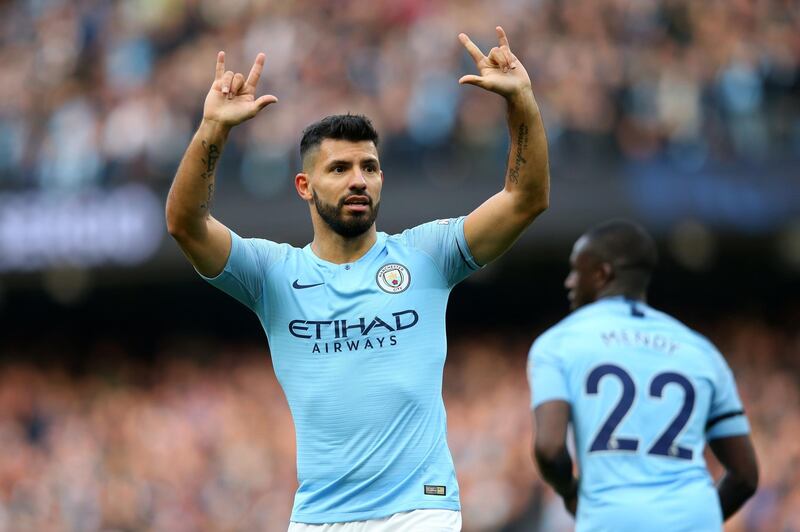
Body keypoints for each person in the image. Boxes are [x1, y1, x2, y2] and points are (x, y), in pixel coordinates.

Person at [166, 26, 549, 530]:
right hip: (318, 517)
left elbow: (526, 199)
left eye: (369, 167)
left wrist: (521, 99)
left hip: (420, 510)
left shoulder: (427, 254)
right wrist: (212, 128)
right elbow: (185, 223)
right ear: (304, 186)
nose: (358, 180)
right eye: (340, 168)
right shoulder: (272, 274)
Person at [527, 220, 759, 531]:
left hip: (613, 517)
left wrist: (569, 492)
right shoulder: (702, 350)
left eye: (575, 271)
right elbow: (745, 476)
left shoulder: (557, 343)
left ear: (602, 274)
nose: (569, 282)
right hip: (693, 516)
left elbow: (550, 449)